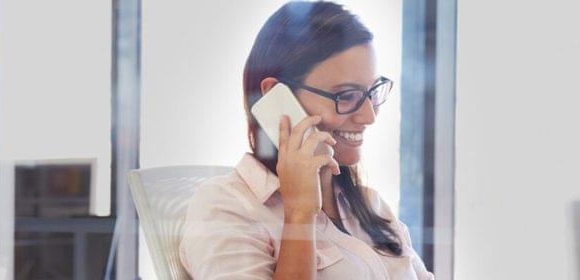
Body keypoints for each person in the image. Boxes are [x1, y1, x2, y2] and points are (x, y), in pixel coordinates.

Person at [179, 1, 434, 279]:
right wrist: (300, 214)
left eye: (372, 92)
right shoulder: (225, 207)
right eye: (346, 96)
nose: (368, 115)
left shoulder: (369, 205)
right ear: (276, 96)